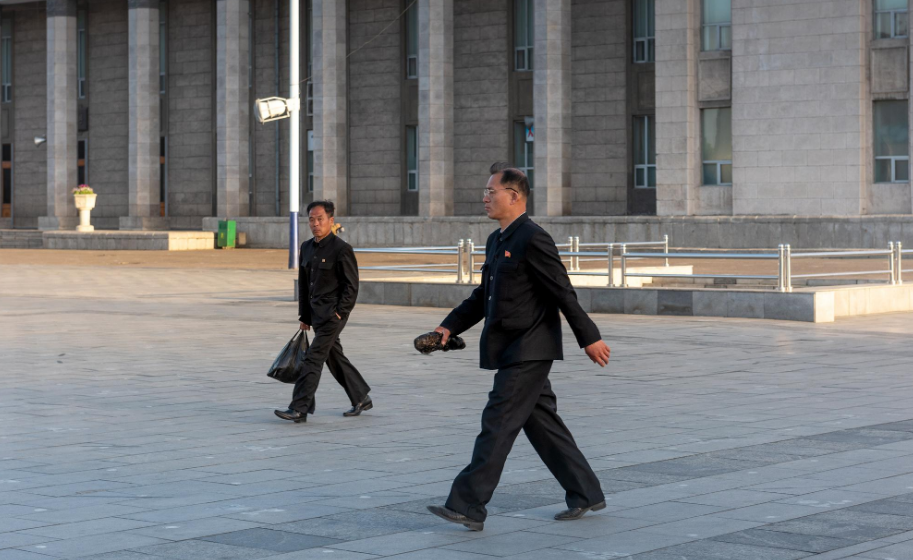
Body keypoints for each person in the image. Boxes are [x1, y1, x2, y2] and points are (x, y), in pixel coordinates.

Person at [426, 168, 611, 531]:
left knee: (496, 423)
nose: (485, 197)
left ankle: (468, 503)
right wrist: (448, 327)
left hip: (530, 348)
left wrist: (589, 336)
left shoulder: (533, 238)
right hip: (510, 346)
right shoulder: (498, 240)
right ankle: (586, 492)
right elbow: (483, 296)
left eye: (491, 191)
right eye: (485, 191)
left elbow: (562, 291)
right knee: (543, 426)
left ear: (514, 196)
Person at [274, 200, 373, 423]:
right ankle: (361, 397)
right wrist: (304, 316)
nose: (315, 223)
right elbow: (304, 284)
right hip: (316, 314)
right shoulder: (306, 247)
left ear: (331, 221)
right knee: (334, 357)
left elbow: (352, 286)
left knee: (313, 359)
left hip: (333, 316)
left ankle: (299, 408)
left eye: (320, 219)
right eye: (311, 219)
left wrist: (340, 312)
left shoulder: (342, 249)